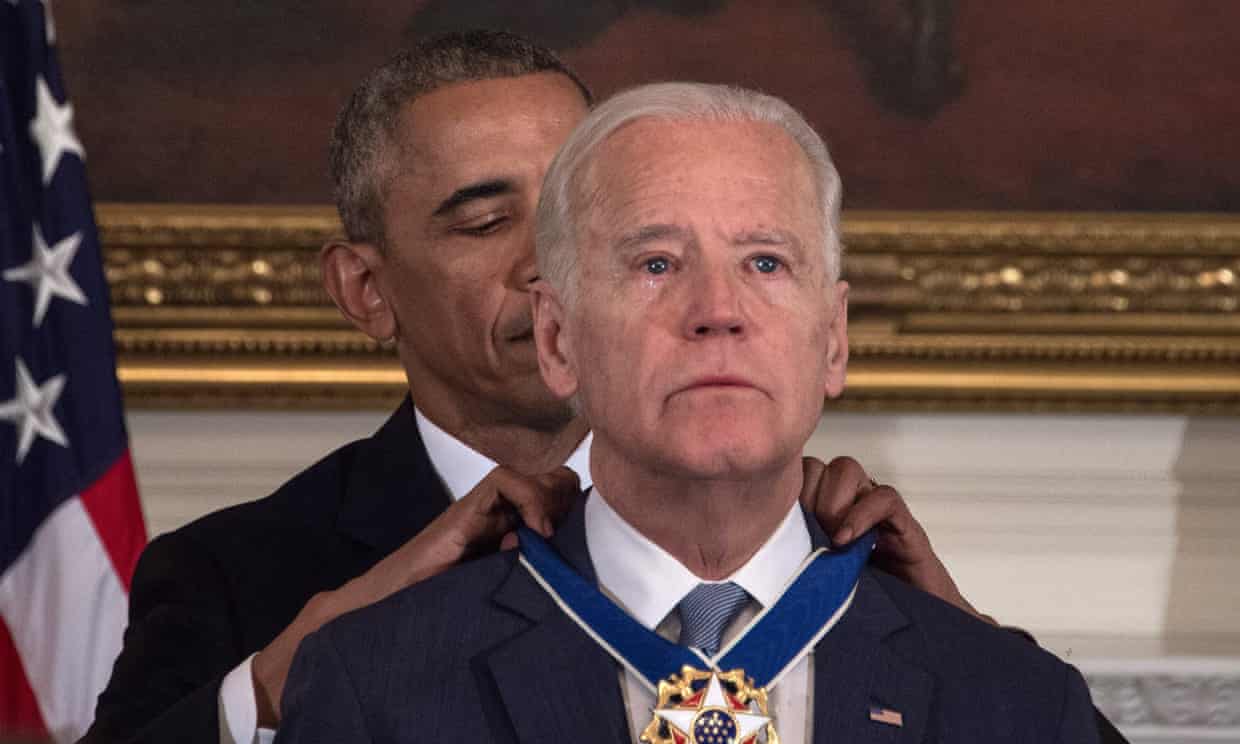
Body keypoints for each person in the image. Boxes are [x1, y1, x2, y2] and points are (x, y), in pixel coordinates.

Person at [82, 33, 970, 744]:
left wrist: (959, 630)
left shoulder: (820, 540)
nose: (546, 260)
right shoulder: (237, 577)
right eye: (485, 221)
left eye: (579, 218)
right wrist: (282, 684)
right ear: (366, 290)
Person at [275, 81, 1103, 744]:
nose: (718, 309)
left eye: (767, 261)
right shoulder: (376, 684)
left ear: (834, 340)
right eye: (657, 262)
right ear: (559, 339)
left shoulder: (1015, 701)